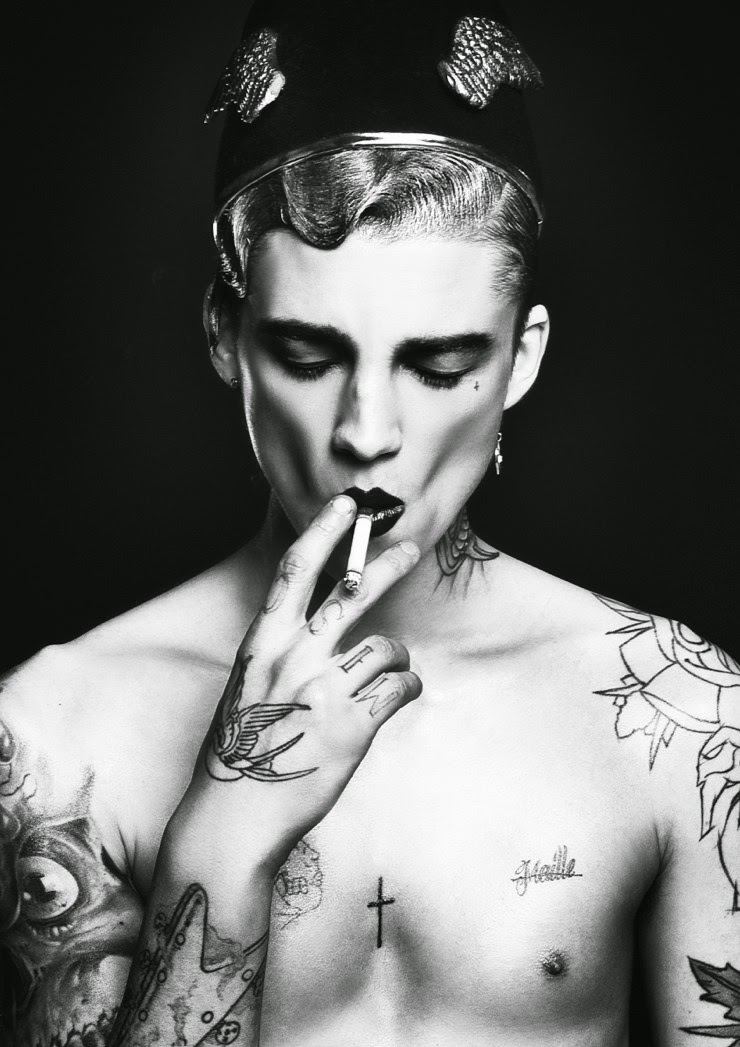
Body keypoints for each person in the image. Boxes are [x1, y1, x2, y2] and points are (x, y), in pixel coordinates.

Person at [1, 1, 738, 1045]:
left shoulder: (685, 727)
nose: (367, 432)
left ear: (520, 359)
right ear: (226, 340)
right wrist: (224, 834)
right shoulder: (54, 737)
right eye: (309, 357)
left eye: (438, 366)